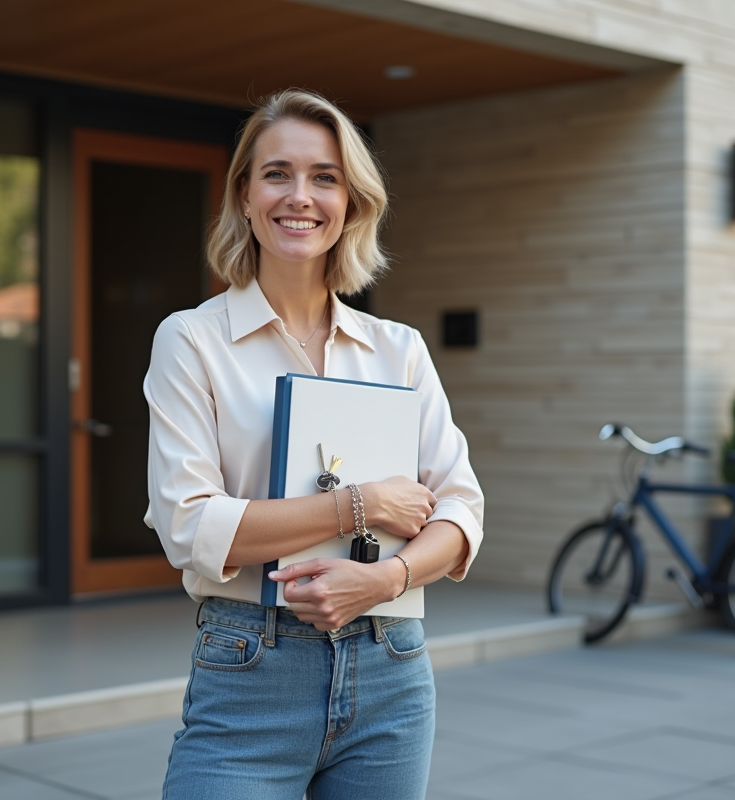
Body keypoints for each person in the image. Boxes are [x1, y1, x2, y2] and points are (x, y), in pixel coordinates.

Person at [144, 89, 484, 800]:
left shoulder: (399, 350)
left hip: (390, 669)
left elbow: (461, 510)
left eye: (324, 177)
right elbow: (191, 526)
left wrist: (385, 579)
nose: (300, 196)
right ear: (244, 194)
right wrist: (360, 506)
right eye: (277, 174)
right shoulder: (193, 341)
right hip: (248, 667)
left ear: (351, 202)